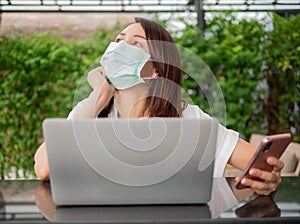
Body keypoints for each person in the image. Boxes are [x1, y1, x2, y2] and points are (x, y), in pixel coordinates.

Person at [34, 17, 283, 196]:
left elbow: (256, 162)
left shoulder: (187, 117)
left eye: (135, 44)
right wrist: (96, 98)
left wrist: (267, 179)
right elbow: (44, 168)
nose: (119, 47)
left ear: (156, 70)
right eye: (118, 41)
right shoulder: (89, 112)